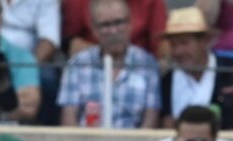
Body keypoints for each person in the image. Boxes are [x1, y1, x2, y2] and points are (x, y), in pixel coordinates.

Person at [159, 7, 233, 131]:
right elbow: (166, 123)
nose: (178, 51)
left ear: (204, 41)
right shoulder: (167, 79)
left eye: (184, 43)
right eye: (173, 45)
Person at [58, 0, 159, 128]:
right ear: (94, 29)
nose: (113, 30)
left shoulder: (147, 64)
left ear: (130, 24)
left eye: (119, 22)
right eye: (105, 25)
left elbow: (150, 122)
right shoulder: (78, 64)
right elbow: (69, 120)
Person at [63, 0, 167, 58]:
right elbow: (69, 41)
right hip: (92, 64)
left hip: (139, 68)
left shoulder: (152, 2)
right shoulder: (77, 2)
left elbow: (161, 44)